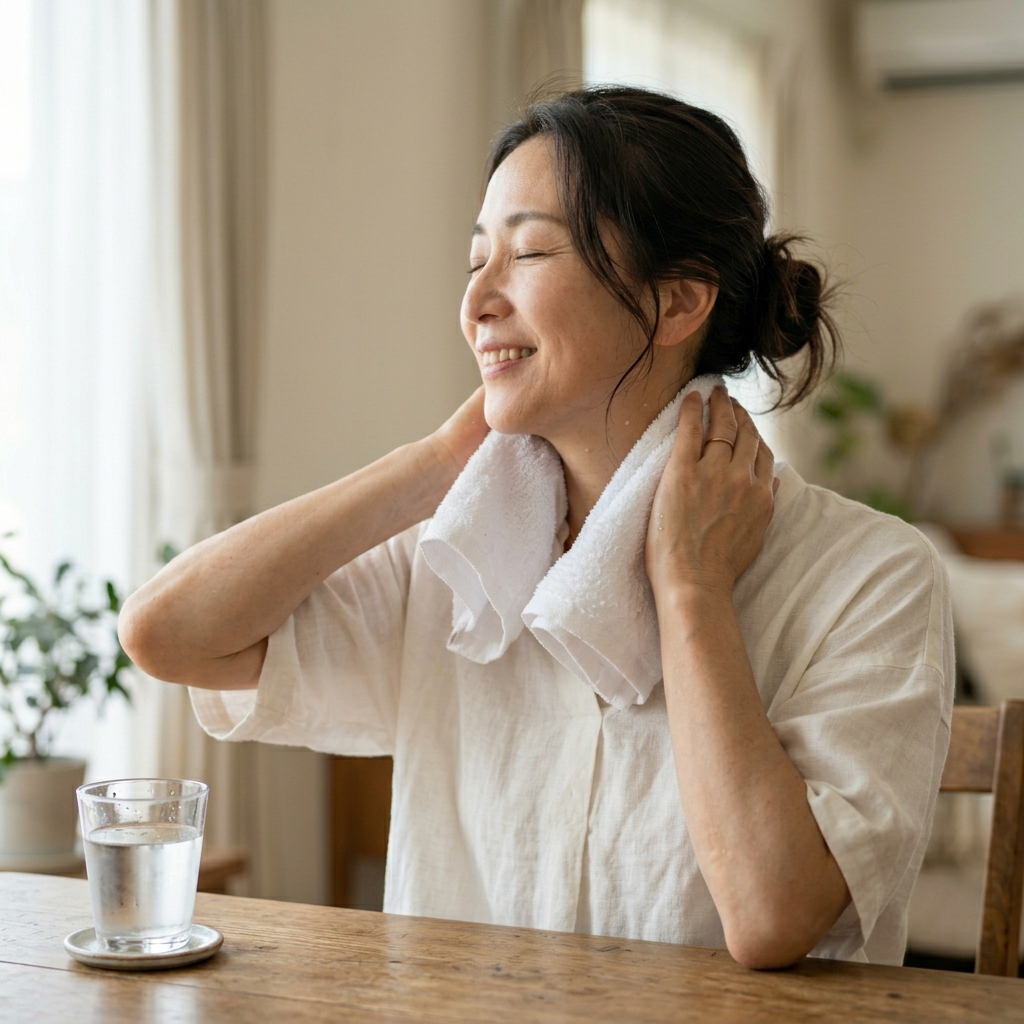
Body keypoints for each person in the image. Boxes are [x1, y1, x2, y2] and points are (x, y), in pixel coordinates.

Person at [120, 87, 953, 970]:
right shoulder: (460, 553)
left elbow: (771, 915)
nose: (478, 299)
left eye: (527, 252)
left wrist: (691, 590)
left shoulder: (873, 575)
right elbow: (167, 634)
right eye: (476, 259)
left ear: (677, 303)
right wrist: (439, 459)